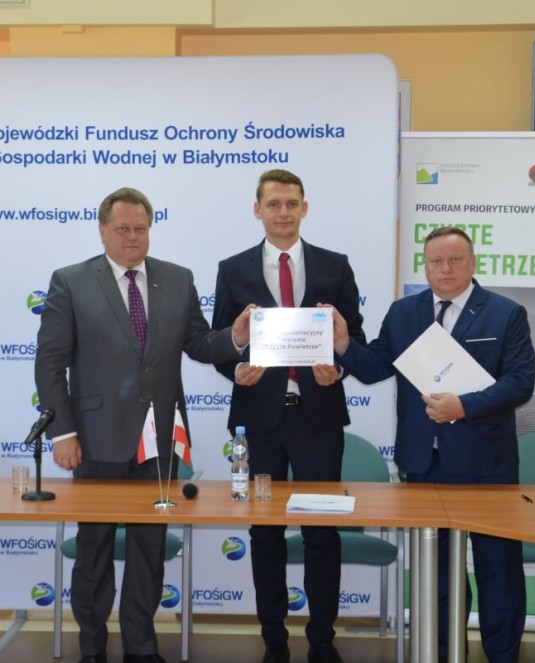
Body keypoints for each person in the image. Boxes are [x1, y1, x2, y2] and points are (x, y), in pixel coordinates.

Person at [35, 186, 252, 663]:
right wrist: (62, 433)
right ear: (102, 231)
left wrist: (235, 337)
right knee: (93, 552)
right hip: (94, 440)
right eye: (122, 229)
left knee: (148, 551)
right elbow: (50, 362)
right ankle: (92, 648)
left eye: (141, 228)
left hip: (160, 440)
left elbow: (198, 343)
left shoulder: (177, 278)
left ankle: (141, 647)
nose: (132, 236)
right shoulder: (70, 281)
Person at [333, 226, 535, 663]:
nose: (445, 269)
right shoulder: (404, 313)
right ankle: (443, 653)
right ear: (424, 266)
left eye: (455, 260)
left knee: (498, 570)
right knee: (437, 573)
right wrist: (344, 343)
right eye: (436, 261)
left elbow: (521, 382)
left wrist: (463, 406)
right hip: (424, 465)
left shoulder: (505, 313)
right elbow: (375, 367)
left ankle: (502, 655)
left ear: (473, 263)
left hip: (487, 466)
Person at [211, 169, 365, 663]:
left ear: (304, 208)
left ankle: (322, 639)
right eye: (274, 204)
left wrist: (339, 367)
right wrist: (237, 368)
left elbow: (354, 338)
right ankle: (273, 639)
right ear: (257, 210)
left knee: (321, 531)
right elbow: (221, 341)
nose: (283, 212)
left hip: (318, 418)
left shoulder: (334, 266)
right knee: (264, 532)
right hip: (258, 421)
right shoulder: (232, 269)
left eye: (292, 203)